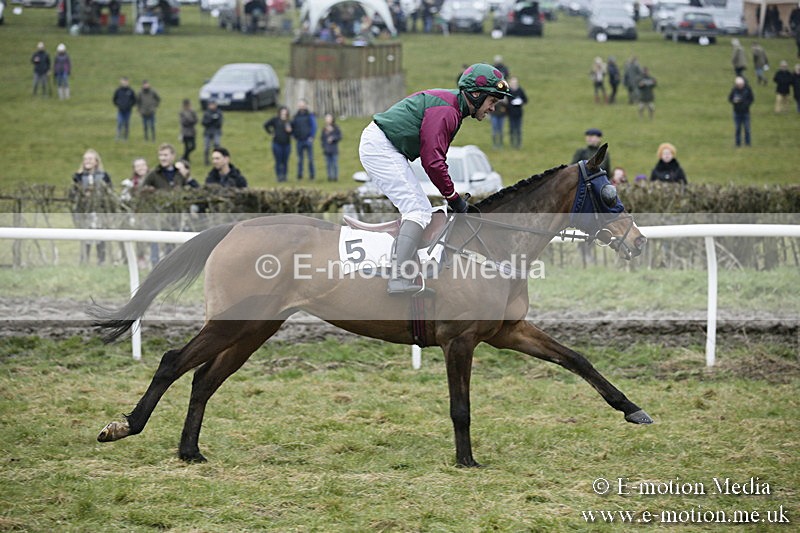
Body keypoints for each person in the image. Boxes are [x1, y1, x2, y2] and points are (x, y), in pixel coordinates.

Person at [358, 63, 512, 294]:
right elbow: (432, 161)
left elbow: (434, 159)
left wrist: (452, 196)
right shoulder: (448, 111)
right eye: (492, 101)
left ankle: (409, 270)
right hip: (381, 147)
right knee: (418, 211)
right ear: (476, 95)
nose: (493, 108)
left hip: (384, 145)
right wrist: (453, 197)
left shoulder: (453, 108)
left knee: (420, 209)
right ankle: (398, 277)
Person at [142, 143, 199, 266]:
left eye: (165, 155)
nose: (162, 158)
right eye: (160, 155)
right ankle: (155, 266)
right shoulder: (153, 174)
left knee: (173, 245)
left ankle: (172, 266)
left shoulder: (179, 175)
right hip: (158, 217)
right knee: (156, 243)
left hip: (175, 216)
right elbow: (143, 192)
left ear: (173, 156)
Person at [71, 149, 112, 265]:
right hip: (84, 211)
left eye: (90, 159)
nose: (87, 161)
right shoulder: (77, 177)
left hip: (99, 211)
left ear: (96, 162)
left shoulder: (104, 176)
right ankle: (84, 260)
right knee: (85, 236)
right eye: (85, 159)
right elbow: (73, 194)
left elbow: (109, 193)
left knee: (100, 235)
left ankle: (101, 260)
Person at [264, 106, 292, 182]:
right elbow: (266, 125)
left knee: (285, 161)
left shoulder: (289, 121)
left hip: (287, 144)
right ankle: (279, 176)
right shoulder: (275, 120)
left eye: (285, 112)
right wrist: (271, 133)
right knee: (278, 161)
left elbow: (292, 132)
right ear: (280, 113)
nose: (283, 114)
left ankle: (284, 176)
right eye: (282, 112)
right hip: (277, 144)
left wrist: (290, 131)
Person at [292, 99, 317, 180]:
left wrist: (312, 137)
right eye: (300, 105)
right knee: (300, 159)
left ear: (306, 106)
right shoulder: (296, 116)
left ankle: (312, 175)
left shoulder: (310, 115)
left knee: (310, 159)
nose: (301, 107)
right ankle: (299, 175)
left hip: (308, 140)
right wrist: (294, 136)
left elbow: (314, 126)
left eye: (303, 105)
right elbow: (293, 127)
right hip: (299, 141)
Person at [728, 76, 754, 147]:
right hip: (737, 112)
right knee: (737, 129)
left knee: (747, 128)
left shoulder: (748, 89)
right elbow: (730, 98)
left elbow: (751, 98)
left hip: (746, 112)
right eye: (738, 85)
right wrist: (734, 101)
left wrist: (746, 104)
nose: (740, 86)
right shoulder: (734, 90)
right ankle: (738, 144)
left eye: (741, 84)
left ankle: (748, 143)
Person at [506, 77, 528, 149]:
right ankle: (512, 143)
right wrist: (510, 103)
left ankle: (518, 144)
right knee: (512, 129)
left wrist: (520, 101)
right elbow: (506, 102)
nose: (513, 84)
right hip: (511, 113)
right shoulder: (508, 91)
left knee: (518, 130)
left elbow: (526, 100)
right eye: (512, 83)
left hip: (518, 113)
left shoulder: (520, 90)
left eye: (515, 83)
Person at [320, 113, 342, 181]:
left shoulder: (336, 128)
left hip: (334, 149)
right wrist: (323, 145)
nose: (327, 119)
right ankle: (329, 177)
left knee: (335, 164)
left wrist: (333, 138)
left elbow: (339, 136)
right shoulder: (324, 128)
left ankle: (335, 177)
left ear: (332, 119)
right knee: (328, 165)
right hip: (327, 150)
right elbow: (322, 138)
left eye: (329, 118)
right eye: (326, 118)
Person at [113, 76, 137, 141]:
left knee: (126, 123)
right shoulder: (118, 90)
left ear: (128, 82)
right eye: (123, 81)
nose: (125, 83)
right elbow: (114, 99)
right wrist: (118, 105)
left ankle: (125, 137)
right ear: (121, 82)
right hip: (120, 110)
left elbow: (134, 100)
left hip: (128, 111)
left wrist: (130, 105)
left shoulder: (130, 91)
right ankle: (118, 136)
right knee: (120, 123)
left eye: (126, 81)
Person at [201, 100, 223, 166]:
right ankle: (206, 160)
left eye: (213, 105)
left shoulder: (219, 112)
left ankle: (219, 159)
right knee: (207, 147)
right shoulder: (206, 113)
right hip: (207, 132)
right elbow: (203, 123)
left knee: (217, 145)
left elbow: (220, 123)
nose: (212, 106)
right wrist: (211, 120)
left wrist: (216, 120)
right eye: (211, 105)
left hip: (216, 131)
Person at [179, 98, 198, 163]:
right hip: (185, 132)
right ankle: (186, 159)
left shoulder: (193, 112)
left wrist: (190, 120)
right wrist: (190, 120)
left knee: (193, 146)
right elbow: (183, 122)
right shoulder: (182, 113)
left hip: (192, 132)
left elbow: (196, 120)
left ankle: (184, 156)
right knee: (186, 147)